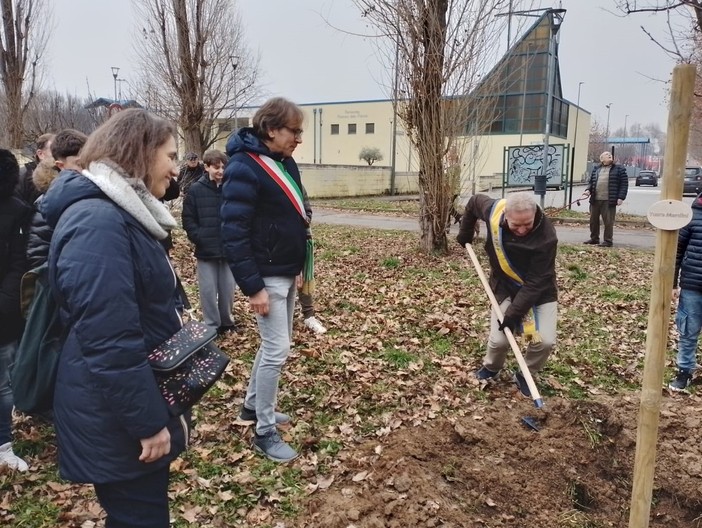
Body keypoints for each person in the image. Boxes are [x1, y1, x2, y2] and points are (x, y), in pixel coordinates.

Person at [40, 109, 188, 526]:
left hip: (116, 404)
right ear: (140, 153)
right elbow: (109, 340)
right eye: (171, 156)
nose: (176, 170)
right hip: (113, 415)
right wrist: (146, 423)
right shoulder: (99, 222)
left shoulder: (123, 213)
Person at [221, 97, 308, 463]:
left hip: (286, 269)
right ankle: (264, 431)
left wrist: (300, 262)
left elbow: (296, 214)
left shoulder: (284, 162)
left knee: (273, 344)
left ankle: (252, 406)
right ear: (272, 129)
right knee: (277, 349)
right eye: (294, 131)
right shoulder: (243, 166)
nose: (299, 138)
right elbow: (233, 231)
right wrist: (252, 285)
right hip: (266, 275)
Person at [456, 192, 558, 398]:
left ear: (535, 214)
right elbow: (474, 202)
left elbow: (536, 282)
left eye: (527, 225)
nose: (521, 230)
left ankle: (526, 373)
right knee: (500, 340)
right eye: (515, 225)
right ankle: (492, 367)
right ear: (505, 216)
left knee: (542, 341)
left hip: (539, 290)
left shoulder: (547, 236)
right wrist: (465, 232)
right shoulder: (493, 211)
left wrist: (514, 314)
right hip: (505, 285)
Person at [0, 149, 32, 472]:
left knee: (1, 384)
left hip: (3, 315)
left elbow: (19, 265)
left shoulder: (19, 212)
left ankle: (3, 446)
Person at [182, 149, 236, 335]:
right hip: (206, 251)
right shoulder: (196, 190)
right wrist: (199, 237)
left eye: (223, 167)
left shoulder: (231, 188)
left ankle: (227, 322)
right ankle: (212, 326)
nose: (221, 170)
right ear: (206, 167)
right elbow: (188, 218)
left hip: (228, 249)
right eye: (216, 167)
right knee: (208, 291)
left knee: (228, 290)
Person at [27, 129, 87, 269]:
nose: (86, 169)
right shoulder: (47, 205)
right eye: (79, 164)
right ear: (61, 165)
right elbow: (38, 257)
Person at [669, 194, 702, 391]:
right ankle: (685, 370)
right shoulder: (692, 216)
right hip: (693, 286)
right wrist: (673, 283)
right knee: (689, 330)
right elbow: (677, 251)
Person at [583, 151, 628, 247]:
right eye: (607, 155)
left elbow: (624, 184)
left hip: (609, 200)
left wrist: (621, 197)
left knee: (608, 222)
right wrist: (588, 190)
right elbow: (592, 182)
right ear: (602, 159)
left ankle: (608, 241)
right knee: (593, 220)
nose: (609, 155)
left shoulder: (619, 169)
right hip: (595, 199)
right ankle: (594, 239)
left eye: (610, 155)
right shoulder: (597, 169)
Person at [15, 133, 55, 205]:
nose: (60, 155)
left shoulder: (66, 173)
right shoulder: (21, 176)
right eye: (55, 151)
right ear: (40, 154)